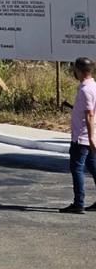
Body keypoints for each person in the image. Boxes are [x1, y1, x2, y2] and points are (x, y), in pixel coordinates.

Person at [60, 57, 96, 214]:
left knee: (77, 169)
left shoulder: (85, 90)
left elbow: (89, 115)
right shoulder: (93, 86)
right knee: (94, 168)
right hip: (87, 136)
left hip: (82, 138)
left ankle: (78, 203)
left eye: (75, 69)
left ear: (80, 71)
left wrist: (91, 138)